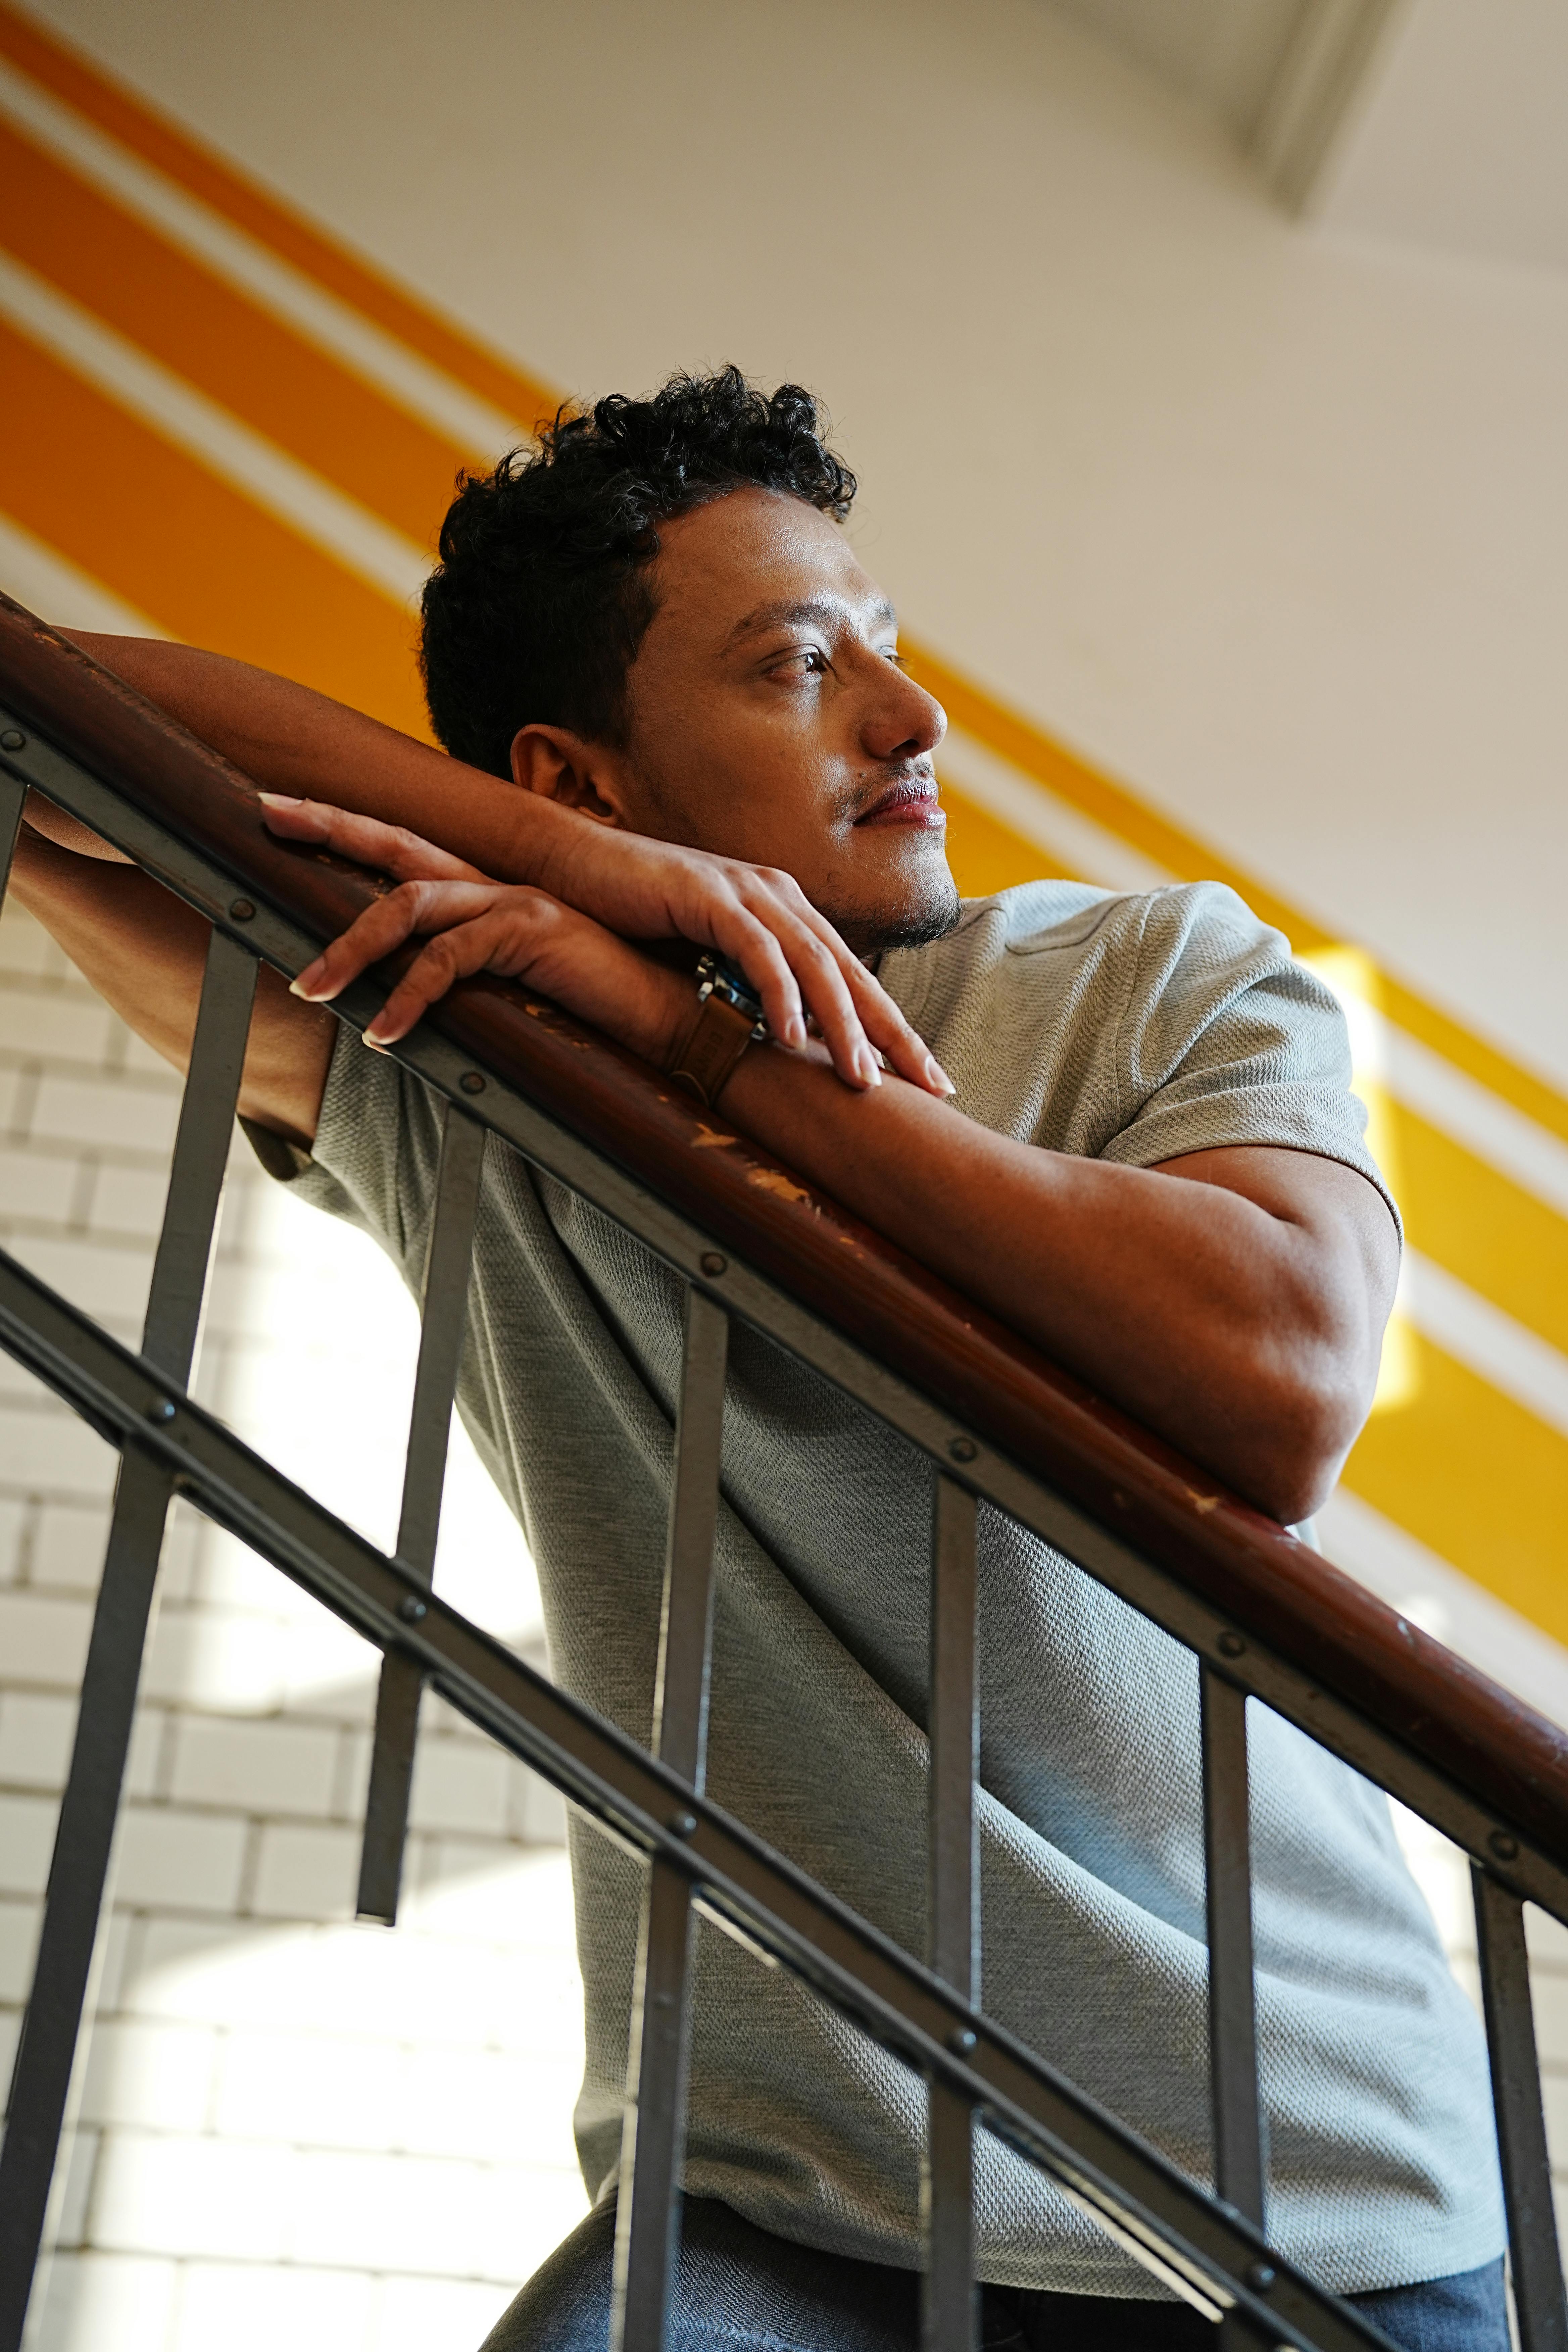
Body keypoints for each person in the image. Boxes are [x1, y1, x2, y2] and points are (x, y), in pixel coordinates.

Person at [13, 370, 1505, 2349]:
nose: (911, 718)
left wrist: (686, 1033)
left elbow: (1283, 1382)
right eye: (800, 667)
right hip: (774, 2201)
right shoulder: (466, 1052)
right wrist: (591, 892)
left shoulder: (1151, 975)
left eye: (888, 647)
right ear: (582, 773)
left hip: (1299, 2201)